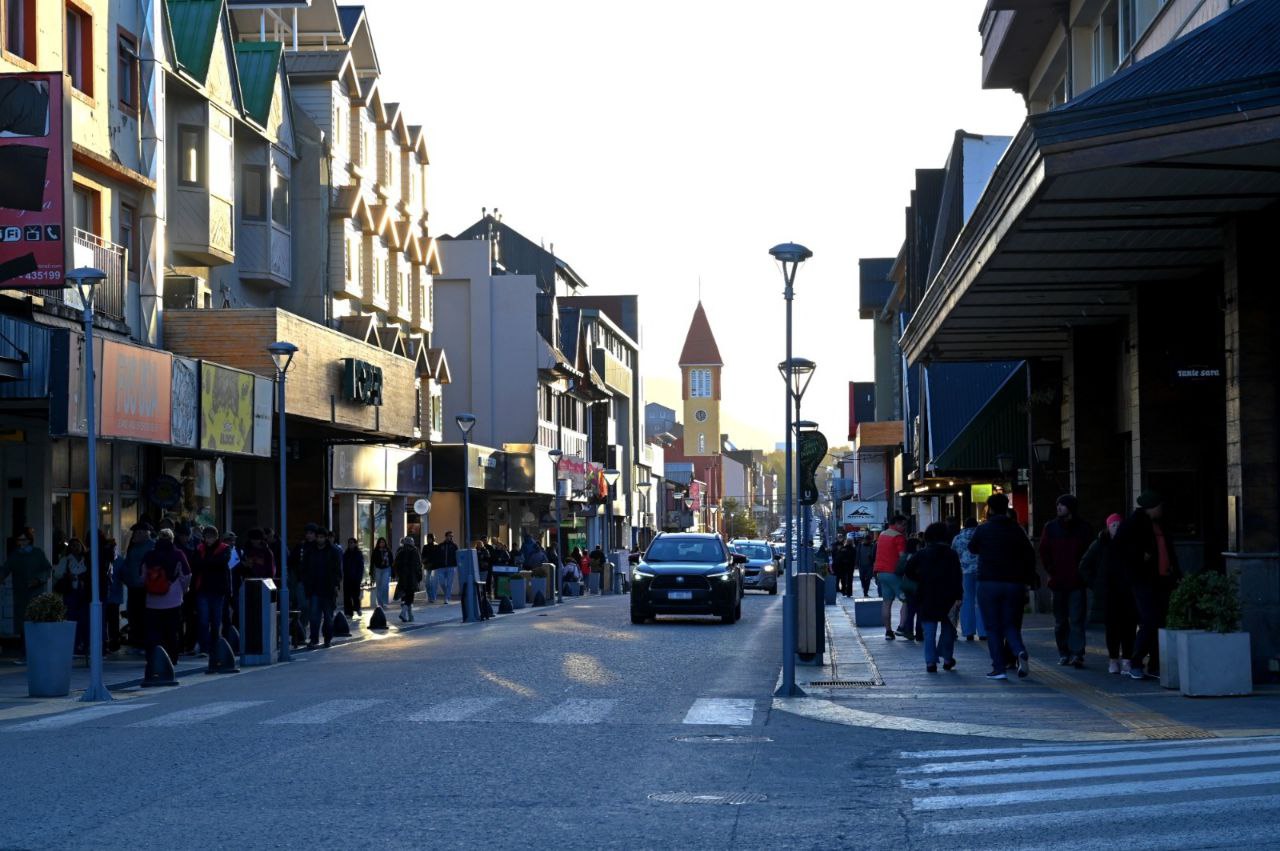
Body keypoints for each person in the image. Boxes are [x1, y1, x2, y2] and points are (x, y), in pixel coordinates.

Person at [969, 493, 1037, 680]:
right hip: (1014, 583)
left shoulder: (983, 529)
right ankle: (1019, 650)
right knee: (1010, 624)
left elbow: (972, 548)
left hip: (989, 582)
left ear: (990, 509)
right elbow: (1029, 554)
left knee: (992, 627)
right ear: (1006, 507)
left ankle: (998, 668)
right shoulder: (1016, 529)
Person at [1115, 491, 1179, 680]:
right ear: (1152, 507)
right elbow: (1120, 551)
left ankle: (1155, 664)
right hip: (1143, 580)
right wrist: (1140, 558)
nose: (1161, 509)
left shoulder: (1161, 524)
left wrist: (1177, 574)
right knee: (1150, 619)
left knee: (1161, 621)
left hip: (1163, 579)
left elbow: (1170, 551)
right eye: (1159, 506)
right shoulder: (1133, 524)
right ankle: (1136, 661)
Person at [1039, 494, 1093, 668]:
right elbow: (1044, 550)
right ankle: (1064, 652)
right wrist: (1050, 569)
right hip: (1058, 581)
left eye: (1062, 505)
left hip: (1076, 581)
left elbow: (1090, 553)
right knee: (1061, 621)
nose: (1059, 508)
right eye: (1058, 505)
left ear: (1071, 507)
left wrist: (1084, 574)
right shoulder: (1051, 527)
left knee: (1077, 620)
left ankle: (1077, 653)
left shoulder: (1083, 528)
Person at [904, 523, 964, 673]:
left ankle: (930, 662)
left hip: (927, 596)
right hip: (948, 596)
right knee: (948, 629)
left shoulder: (922, 554)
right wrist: (959, 595)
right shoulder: (951, 554)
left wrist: (921, 578)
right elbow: (957, 576)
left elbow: (908, 570)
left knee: (929, 632)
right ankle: (947, 658)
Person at [1081, 513, 1133, 674]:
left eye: (1119, 525)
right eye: (1113, 525)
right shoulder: (1099, 544)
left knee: (1129, 627)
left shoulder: (1129, 544)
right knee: (1112, 628)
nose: (1116, 528)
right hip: (1109, 594)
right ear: (1108, 527)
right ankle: (1113, 660)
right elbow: (1084, 566)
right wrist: (1096, 585)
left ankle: (1127, 660)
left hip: (1127, 592)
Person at [1, 527, 53, 662]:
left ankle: (36, 653)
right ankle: (25, 653)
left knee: (35, 622)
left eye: (23, 539)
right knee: (23, 624)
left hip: (36, 594)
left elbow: (48, 569)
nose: (21, 542)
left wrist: (38, 579)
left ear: (29, 540)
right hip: (20, 594)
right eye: (19, 540)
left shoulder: (37, 553)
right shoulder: (15, 555)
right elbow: (5, 569)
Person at [141, 528, 191, 668]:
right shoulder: (178, 554)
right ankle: (172, 658)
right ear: (172, 539)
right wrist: (184, 589)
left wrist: (150, 586)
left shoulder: (149, 555)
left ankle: (152, 657)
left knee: (153, 632)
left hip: (152, 600)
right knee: (171, 631)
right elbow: (186, 575)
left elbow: (142, 576)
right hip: (173, 600)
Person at [191, 526, 231, 656]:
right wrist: (209, 563)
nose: (208, 540)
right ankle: (204, 648)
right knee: (203, 620)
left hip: (218, 590)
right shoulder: (199, 549)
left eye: (210, 537)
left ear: (216, 537)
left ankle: (214, 646)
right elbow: (195, 563)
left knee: (216, 620)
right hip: (202, 589)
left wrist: (205, 563)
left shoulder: (225, 548)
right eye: (206, 537)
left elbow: (221, 562)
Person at [300, 525, 341, 648]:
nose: (319, 539)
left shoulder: (333, 551)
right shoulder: (310, 551)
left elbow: (337, 570)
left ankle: (327, 639)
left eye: (322, 537)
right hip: (314, 589)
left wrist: (336, 584)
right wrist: (306, 583)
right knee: (314, 617)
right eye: (318, 537)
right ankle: (314, 639)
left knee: (328, 617)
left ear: (326, 538)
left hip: (328, 589)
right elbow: (304, 568)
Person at [119, 523, 155, 652]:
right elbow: (128, 563)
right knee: (134, 614)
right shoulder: (133, 547)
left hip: (144, 587)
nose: (136, 535)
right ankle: (136, 642)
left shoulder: (152, 546)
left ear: (147, 533)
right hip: (132, 585)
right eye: (135, 533)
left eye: (139, 532)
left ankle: (144, 643)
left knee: (143, 615)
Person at [53, 538, 91, 655]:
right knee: (71, 619)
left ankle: (84, 645)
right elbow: (57, 574)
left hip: (85, 593)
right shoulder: (66, 560)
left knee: (85, 620)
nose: (75, 547)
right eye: (73, 545)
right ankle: (74, 645)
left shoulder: (87, 559)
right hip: (71, 593)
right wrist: (68, 576)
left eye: (77, 545)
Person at [873, 516, 908, 640]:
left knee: (886, 603)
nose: (904, 528)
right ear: (897, 524)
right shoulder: (898, 537)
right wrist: (903, 569)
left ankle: (888, 631)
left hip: (881, 573)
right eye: (903, 525)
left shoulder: (882, 535)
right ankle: (902, 627)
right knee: (906, 600)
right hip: (893, 573)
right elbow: (902, 556)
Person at [951, 517, 985, 641]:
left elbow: (953, 554)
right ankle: (983, 632)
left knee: (967, 600)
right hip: (981, 571)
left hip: (964, 572)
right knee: (981, 601)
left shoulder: (958, 538)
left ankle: (968, 631)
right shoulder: (982, 536)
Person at [895, 537, 922, 640]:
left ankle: (908, 631)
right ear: (916, 546)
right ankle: (919, 633)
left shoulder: (905, 556)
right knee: (920, 610)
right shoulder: (920, 556)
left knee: (910, 610)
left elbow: (898, 570)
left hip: (907, 586)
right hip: (919, 586)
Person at [394, 537, 423, 622]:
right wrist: (419, 576)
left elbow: (395, 564)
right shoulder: (414, 551)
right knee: (410, 596)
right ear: (412, 543)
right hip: (412, 577)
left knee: (404, 596)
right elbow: (418, 565)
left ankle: (410, 616)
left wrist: (398, 574)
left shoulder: (400, 551)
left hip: (402, 578)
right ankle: (404, 613)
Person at [342, 537, 365, 618]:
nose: (350, 544)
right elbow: (343, 566)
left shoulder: (358, 554)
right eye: (349, 543)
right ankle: (348, 612)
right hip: (347, 578)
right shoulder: (346, 554)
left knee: (355, 595)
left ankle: (357, 608)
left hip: (356, 578)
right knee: (347, 596)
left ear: (355, 544)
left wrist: (359, 577)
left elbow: (361, 566)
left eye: (352, 543)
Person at [370, 537, 393, 610]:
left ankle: (384, 602)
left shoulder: (388, 551)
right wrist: (371, 572)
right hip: (378, 569)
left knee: (385, 586)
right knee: (379, 587)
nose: (382, 543)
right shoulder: (375, 551)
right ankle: (379, 603)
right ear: (378, 543)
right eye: (380, 542)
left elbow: (392, 561)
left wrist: (394, 572)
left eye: (383, 542)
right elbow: (372, 562)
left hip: (386, 569)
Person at [436, 531, 459, 604]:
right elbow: (437, 555)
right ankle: (447, 594)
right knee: (441, 582)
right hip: (441, 567)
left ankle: (446, 598)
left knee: (449, 583)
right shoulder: (440, 545)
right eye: (449, 536)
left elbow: (457, 556)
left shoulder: (454, 546)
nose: (451, 537)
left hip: (451, 567)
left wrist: (456, 564)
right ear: (446, 536)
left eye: (452, 536)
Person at [422, 533, 442, 604]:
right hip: (428, 566)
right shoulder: (425, 546)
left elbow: (439, 556)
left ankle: (432, 597)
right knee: (427, 583)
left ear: (433, 538)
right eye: (428, 538)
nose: (429, 539)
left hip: (435, 567)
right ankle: (430, 597)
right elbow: (423, 556)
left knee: (434, 583)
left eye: (430, 538)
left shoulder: (437, 546)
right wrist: (425, 561)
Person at [856, 531, 876, 597]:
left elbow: (874, 555)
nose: (866, 541)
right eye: (865, 540)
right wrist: (856, 563)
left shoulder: (872, 546)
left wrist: (872, 558)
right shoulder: (860, 545)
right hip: (861, 565)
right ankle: (864, 588)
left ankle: (865, 591)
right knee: (862, 578)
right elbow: (857, 554)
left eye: (867, 540)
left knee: (868, 579)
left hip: (869, 566)